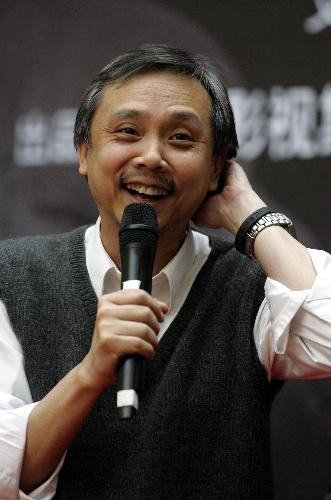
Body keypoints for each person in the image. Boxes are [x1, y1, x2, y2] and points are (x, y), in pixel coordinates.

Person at [0, 44, 330, 500]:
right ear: (83, 152)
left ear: (217, 167)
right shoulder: (11, 274)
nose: (152, 157)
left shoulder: (255, 284)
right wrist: (91, 372)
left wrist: (246, 211)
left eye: (181, 139)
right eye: (128, 131)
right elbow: (4, 471)